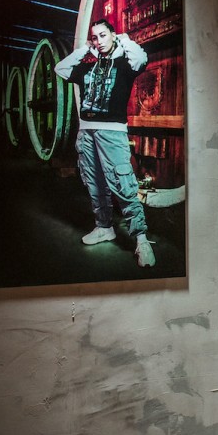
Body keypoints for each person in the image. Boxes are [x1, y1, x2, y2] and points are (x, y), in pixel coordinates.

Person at [54, 18, 155, 267]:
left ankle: (141, 239)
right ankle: (104, 227)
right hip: (86, 131)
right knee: (94, 181)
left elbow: (141, 59)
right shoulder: (88, 67)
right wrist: (84, 50)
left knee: (122, 183)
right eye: (94, 37)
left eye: (103, 35)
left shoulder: (124, 64)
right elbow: (60, 69)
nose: (98, 41)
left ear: (112, 35)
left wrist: (123, 39)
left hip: (112, 131)